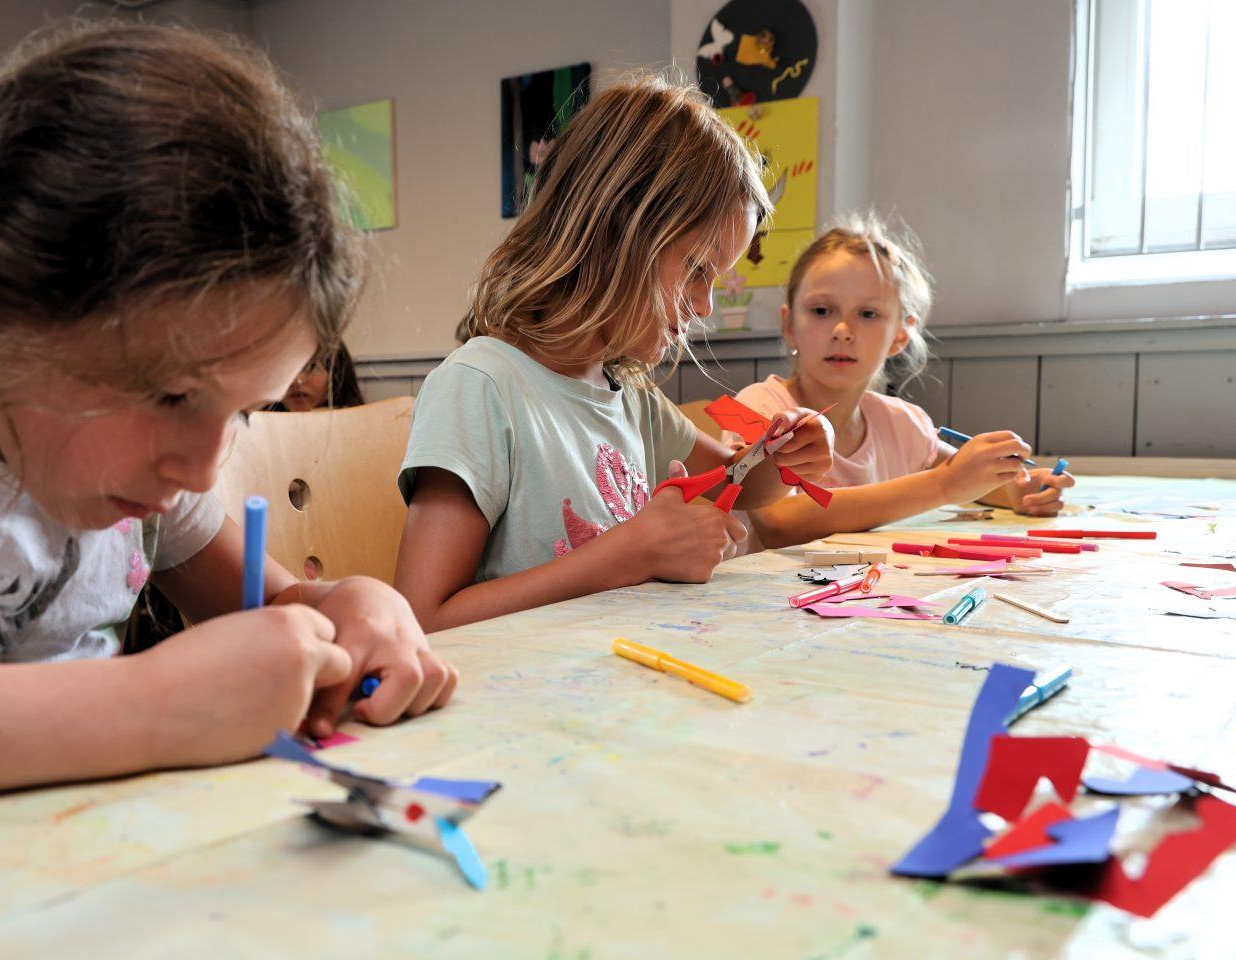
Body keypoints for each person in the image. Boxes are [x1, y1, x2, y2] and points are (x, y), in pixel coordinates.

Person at [0, 24, 455, 818]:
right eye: (172, 396)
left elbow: (278, 611)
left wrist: (348, 611)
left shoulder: (142, 467)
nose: (203, 470)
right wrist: (151, 707)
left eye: (246, 413)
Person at [394, 76, 834, 632]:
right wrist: (632, 554)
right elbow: (421, 618)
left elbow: (740, 484)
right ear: (618, 232)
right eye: (697, 269)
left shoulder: (630, 399)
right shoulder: (481, 387)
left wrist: (788, 454)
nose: (705, 306)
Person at [729, 213, 1075, 549]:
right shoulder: (757, 406)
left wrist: (1020, 489)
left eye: (868, 314)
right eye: (821, 311)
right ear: (789, 324)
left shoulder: (901, 424)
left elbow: (967, 476)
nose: (842, 331)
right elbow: (777, 522)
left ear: (900, 335)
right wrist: (943, 485)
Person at [268, 342, 365, 412]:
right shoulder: (264, 426)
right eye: (284, 369)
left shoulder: (358, 423)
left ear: (335, 373)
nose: (295, 380)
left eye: (311, 366)